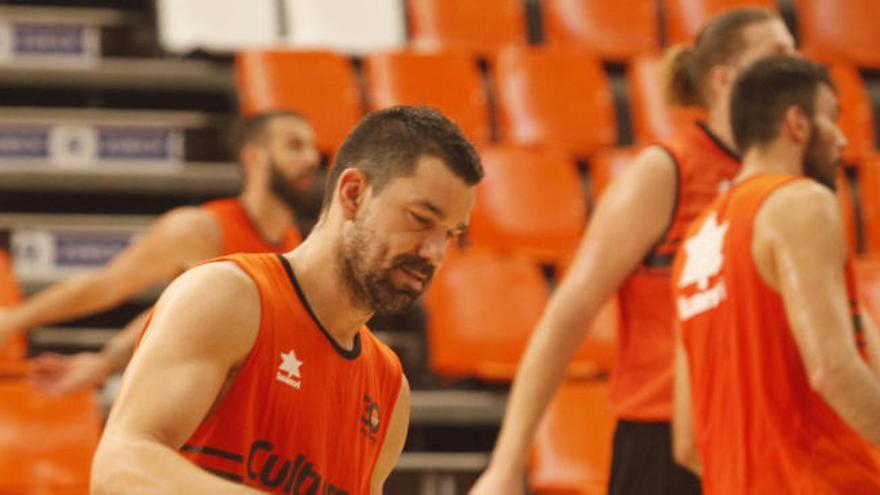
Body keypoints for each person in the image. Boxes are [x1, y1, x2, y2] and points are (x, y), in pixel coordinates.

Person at [470, 8, 796, 495]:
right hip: (661, 441)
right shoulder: (666, 170)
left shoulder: (792, 180)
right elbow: (569, 312)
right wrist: (506, 463)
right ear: (726, 79)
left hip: (764, 434)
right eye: (779, 55)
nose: (801, 67)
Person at [90, 106, 484, 493]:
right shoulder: (229, 295)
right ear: (353, 194)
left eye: (450, 234)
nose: (435, 252)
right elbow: (120, 466)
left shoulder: (389, 388)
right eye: (420, 218)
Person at [672, 55, 880, 494]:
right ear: (797, 123)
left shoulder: (694, 241)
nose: (843, 139)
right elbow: (831, 370)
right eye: (833, 119)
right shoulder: (799, 202)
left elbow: (687, 443)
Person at [8, 110, 320, 394]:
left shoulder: (294, 246)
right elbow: (106, 285)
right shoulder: (201, 229)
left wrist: (105, 362)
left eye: (310, 146)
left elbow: (169, 307)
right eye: (294, 146)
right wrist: (12, 322)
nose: (311, 158)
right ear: (255, 158)